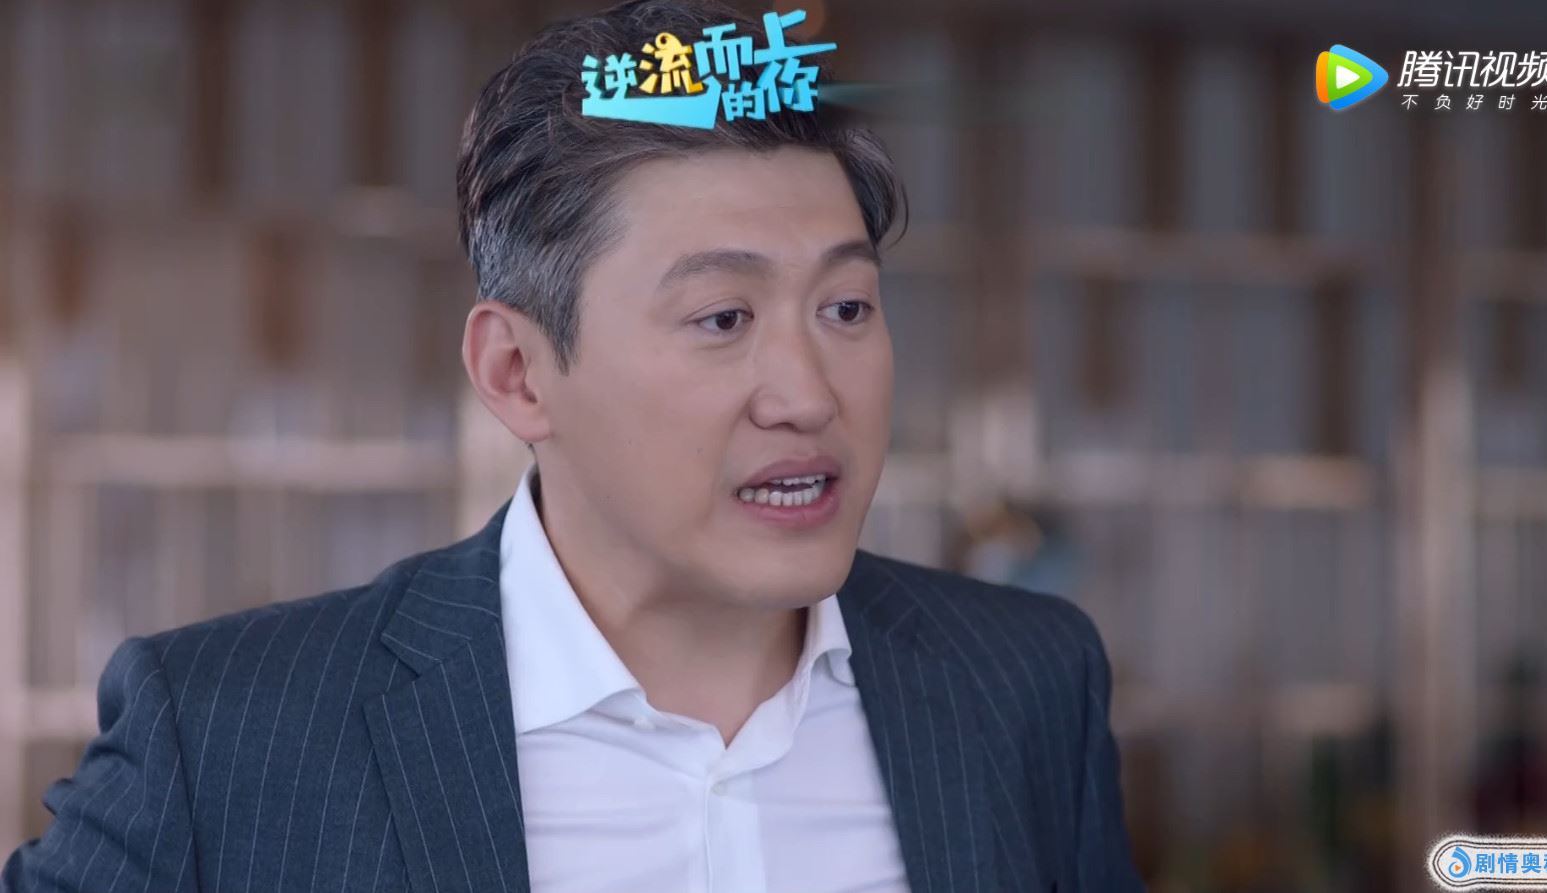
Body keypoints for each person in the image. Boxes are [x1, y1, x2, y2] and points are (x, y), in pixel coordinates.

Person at [2, 1, 1143, 890]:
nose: (806, 394)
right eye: (722, 318)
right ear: (516, 371)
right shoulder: (228, 734)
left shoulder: (1021, 683)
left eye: (846, 308)